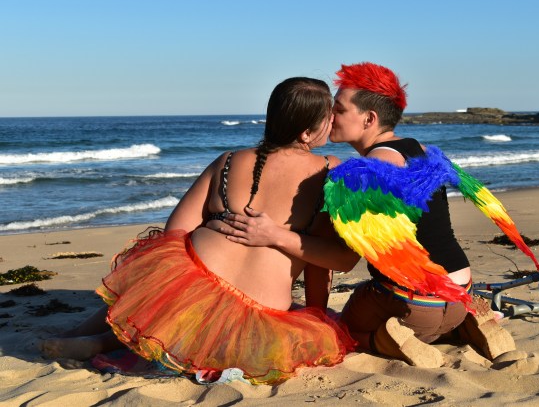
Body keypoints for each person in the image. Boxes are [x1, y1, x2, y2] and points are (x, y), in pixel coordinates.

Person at [40, 77, 358, 385]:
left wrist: (213, 233)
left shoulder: (230, 160)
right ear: (306, 132)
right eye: (328, 118)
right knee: (218, 329)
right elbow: (326, 260)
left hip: (192, 290)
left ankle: (85, 338)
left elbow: (175, 230)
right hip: (259, 316)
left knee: (158, 286)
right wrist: (317, 313)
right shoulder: (332, 171)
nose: (332, 124)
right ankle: (97, 341)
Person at [218, 63, 485, 368]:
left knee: (343, 329)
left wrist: (274, 234)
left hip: (415, 304)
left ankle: (386, 339)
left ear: (369, 119)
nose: (328, 116)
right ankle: (464, 327)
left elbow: (344, 260)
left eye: (339, 109)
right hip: (461, 295)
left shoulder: (362, 173)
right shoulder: (424, 151)